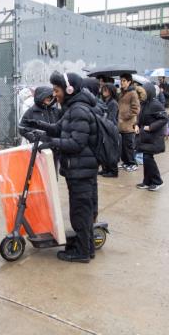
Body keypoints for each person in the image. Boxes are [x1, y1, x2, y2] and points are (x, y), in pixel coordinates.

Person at [25, 71, 98, 263]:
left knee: (80, 212)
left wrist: (52, 143)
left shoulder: (79, 110)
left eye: (57, 90)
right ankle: (87, 247)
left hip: (81, 170)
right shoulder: (72, 108)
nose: (54, 94)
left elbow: (76, 143)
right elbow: (60, 128)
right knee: (82, 210)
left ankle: (82, 253)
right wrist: (39, 125)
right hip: (78, 168)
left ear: (69, 89)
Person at [135, 82, 167, 191]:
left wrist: (151, 127)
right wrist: (136, 125)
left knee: (148, 158)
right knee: (146, 158)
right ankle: (147, 181)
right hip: (145, 137)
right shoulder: (143, 104)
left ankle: (158, 181)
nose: (142, 95)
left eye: (143, 92)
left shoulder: (156, 104)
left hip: (154, 137)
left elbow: (164, 119)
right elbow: (140, 119)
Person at [118, 73, 140, 172]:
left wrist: (124, 116)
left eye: (124, 81)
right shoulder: (122, 92)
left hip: (128, 125)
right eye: (121, 80)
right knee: (122, 146)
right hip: (121, 125)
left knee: (128, 146)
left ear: (129, 82)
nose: (122, 83)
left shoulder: (133, 93)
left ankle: (132, 163)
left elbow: (136, 109)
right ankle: (126, 162)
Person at [100, 82, 119, 178]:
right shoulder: (105, 101)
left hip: (111, 128)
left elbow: (112, 118)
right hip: (106, 127)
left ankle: (113, 171)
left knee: (111, 150)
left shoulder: (113, 103)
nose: (104, 91)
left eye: (106, 90)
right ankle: (106, 169)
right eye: (103, 89)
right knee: (105, 150)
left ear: (111, 91)